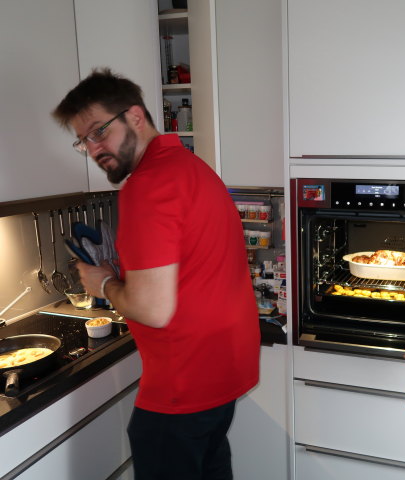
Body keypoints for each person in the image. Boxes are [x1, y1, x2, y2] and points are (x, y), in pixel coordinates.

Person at [52, 68, 260, 480]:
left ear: (134, 116)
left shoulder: (147, 186)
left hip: (182, 386)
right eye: (83, 141)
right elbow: (189, 268)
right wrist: (119, 271)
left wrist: (103, 283)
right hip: (221, 372)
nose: (94, 148)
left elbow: (153, 309)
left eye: (98, 132)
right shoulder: (190, 167)